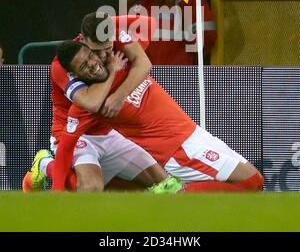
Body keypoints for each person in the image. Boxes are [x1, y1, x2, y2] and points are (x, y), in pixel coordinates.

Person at [35, 24, 264, 193]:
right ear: (77, 74)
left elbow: (145, 46)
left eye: (95, 55)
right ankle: (46, 165)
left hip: (190, 134)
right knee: (252, 181)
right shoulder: (90, 101)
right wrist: (57, 193)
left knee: (154, 183)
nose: (96, 62)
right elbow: (67, 143)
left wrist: (116, 28)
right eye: (85, 65)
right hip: (177, 149)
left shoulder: (125, 59)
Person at [23, 13, 182, 192]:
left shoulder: (110, 36)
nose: (103, 55)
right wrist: (113, 70)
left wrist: (106, 23)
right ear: (83, 40)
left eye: (107, 48)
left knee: (166, 184)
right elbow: (92, 102)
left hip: (109, 132)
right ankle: (45, 165)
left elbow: (144, 58)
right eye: (96, 51)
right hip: (75, 134)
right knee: (91, 188)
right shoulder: (63, 65)